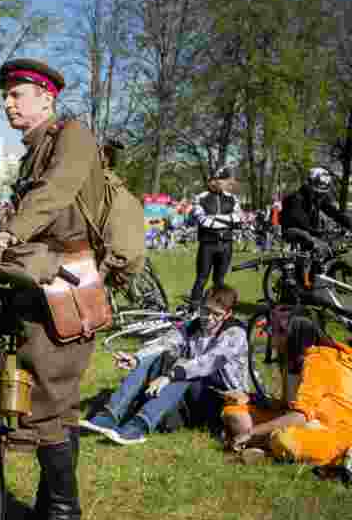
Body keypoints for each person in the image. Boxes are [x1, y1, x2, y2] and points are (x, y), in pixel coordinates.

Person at [0, 58, 105, 520]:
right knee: (47, 397)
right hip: (42, 282)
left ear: (46, 98)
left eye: (17, 94)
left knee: (49, 397)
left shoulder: (73, 137)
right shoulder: (37, 148)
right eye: (7, 95)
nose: (8, 103)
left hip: (67, 286)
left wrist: (5, 234)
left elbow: (56, 194)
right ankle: (44, 511)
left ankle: (64, 517)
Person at [82, 286, 248, 444]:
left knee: (186, 371)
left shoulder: (235, 333)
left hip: (222, 399)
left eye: (216, 314)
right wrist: (137, 358)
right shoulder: (193, 325)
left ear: (228, 314)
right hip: (192, 391)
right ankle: (110, 415)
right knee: (159, 357)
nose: (208, 318)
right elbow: (164, 343)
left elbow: (206, 364)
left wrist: (169, 376)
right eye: (205, 310)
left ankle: (139, 427)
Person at [222, 313, 352, 469]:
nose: (270, 336)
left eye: (275, 331)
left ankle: (266, 454)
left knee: (284, 440)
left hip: (332, 430)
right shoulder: (291, 360)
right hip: (300, 420)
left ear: (291, 336)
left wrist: (252, 432)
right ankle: (269, 449)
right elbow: (286, 406)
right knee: (233, 412)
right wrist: (251, 398)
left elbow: (301, 415)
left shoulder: (318, 361)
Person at [188, 167, 243, 307]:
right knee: (201, 278)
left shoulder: (232, 198)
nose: (227, 183)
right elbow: (203, 221)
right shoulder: (200, 198)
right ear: (214, 180)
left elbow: (238, 218)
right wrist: (227, 219)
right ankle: (193, 308)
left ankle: (216, 307)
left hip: (226, 244)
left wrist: (214, 218)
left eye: (225, 180)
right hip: (208, 244)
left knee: (219, 280)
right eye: (222, 180)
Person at [280, 167, 352, 255]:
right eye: (317, 193)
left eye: (322, 193)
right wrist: (319, 233)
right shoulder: (296, 199)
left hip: (311, 232)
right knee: (314, 242)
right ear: (309, 185)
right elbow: (300, 222)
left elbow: (335, 213)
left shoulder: (318, 199)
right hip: (292, 230)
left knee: (332, 246)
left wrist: (349, 224)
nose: (320, 196)